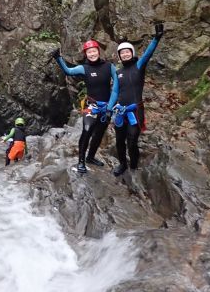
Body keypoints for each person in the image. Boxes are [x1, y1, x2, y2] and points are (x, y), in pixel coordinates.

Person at [51, 40, 119, 174]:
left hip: (106, 107)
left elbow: (116, 89)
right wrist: (58, 58)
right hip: (91, 106)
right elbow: (68, 71)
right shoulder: (84, 68)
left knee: (99, 134)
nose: (92, 54)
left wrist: (110, 108)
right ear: (86, 54)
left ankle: (91, 157)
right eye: (89, 52)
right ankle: (81, 162)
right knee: (87, 130)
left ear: (98, 51)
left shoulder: (109, 67)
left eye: (94, 51)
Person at [111, 22, 164, 182]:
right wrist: (109, 108)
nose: (125, 55)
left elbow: (147, 54)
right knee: (119, 140)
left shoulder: (139, 66)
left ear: (132, 53)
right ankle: (122, 164)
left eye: (127, 52)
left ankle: (133, 164)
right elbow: (115, 91)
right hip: (120, 110)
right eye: (122, 53)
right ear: (119, 56)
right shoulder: (118, 72)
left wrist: (156, 39)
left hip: (135, 110)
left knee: (132, 139)